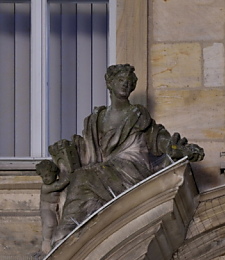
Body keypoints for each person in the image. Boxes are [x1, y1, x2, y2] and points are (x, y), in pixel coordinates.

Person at [45, 63, 204, 245]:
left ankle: (65, 232)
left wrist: (178, 149)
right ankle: (73, 231)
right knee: (83, 178)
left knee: (83, 178)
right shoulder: (95, 119)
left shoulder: (137, 115)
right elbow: (88, 149)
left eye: (129, 81)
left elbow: (158, 139)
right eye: (120, 80)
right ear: (110, 83)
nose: (125, 84)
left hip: (132, 170)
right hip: (105, 171)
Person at [35, 160, 69, 254]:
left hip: (55, 209)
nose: (45, 179)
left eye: (48, 175)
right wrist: (69, 175)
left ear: (54, 174)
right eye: (43, 177)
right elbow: (60, 185)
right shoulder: (45, 187)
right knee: (49, 223)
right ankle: (46, 242)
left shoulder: (55, 183)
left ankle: (53, 243)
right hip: (46, 208)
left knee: (55, 225)